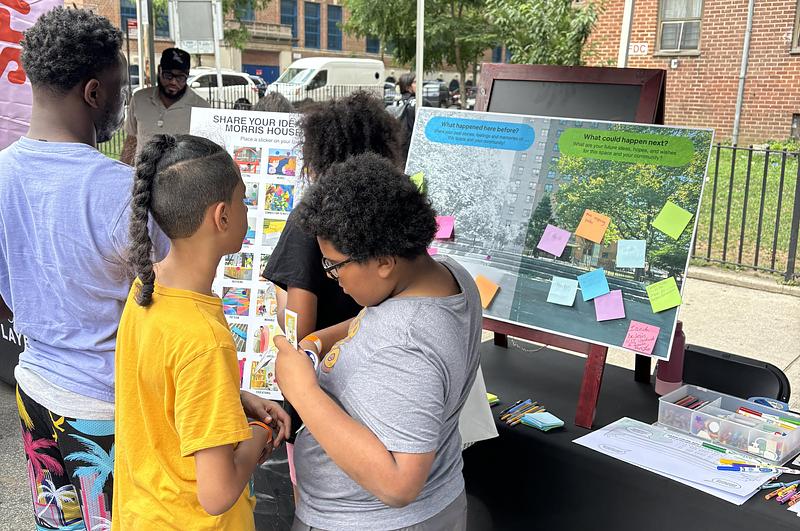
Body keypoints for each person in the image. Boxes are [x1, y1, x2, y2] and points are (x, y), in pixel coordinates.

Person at [0, 8, 168, 529]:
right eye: (120, 87)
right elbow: (170, 302)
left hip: (35, 390)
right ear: (94, 92)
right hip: (108, 408)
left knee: (59, 522)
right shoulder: (120, 191)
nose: (124, 99)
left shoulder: (1, 174)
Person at [274, 153, 481, 530]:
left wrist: (302, 392)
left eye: (335, 265)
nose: (333, 277)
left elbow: (400, 484)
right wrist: (318, 341)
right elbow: (373, 322)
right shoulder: (445, 277)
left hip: (373, 520)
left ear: (384, 261)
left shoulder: (408, 345)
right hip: (433, 501)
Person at [112, 134, 291, 529]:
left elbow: (162, 390)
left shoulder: (148, 286)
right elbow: (217, 493)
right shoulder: (203, 339)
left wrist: (232, 399)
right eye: (243, 200)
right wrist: (260, 432)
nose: (248, 209)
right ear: (222, 216)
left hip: (145, 514)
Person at [262, 91, 400, 496]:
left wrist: (277, 296)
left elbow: (299, 326)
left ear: (319, 156)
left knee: (317, 493)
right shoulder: (387, 215)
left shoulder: (311, 221)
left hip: (320, 390)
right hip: (375, 383)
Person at [120, 47, 209, 164]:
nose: (173, 82)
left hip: (181, 174)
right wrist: (122, 169)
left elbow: (206, 153)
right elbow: (131, 140)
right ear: (159, 70)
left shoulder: (202, 108)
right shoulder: (139, 99)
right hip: (142, 174)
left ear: (187, 75)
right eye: (168, 75)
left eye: (180, 77)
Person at [389, 72, 417, 161]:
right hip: (410, 145)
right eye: (415, 82)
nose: (419, 84)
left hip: (395, 144)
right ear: (408, 87)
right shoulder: (416, 103)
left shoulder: (394, 101)